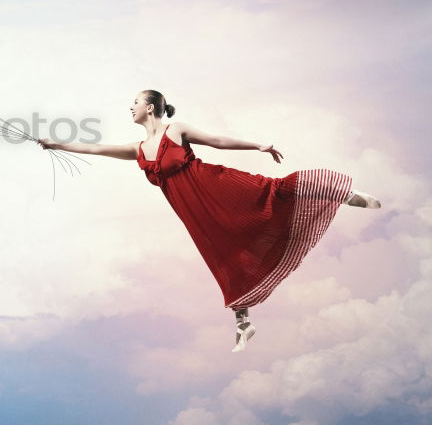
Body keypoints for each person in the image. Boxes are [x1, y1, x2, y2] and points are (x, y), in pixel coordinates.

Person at [37, 90, 381, 352]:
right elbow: (97, 149)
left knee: (270, 192)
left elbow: (217, 140)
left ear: (151, 107)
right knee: (224, 258)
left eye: (136, 102)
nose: (131, 107)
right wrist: (56, 144)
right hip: (196, 213)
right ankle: (243, 322)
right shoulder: (139, 149)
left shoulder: (176, 130)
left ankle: (341, 192)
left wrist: (259, 146)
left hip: (217, 185)